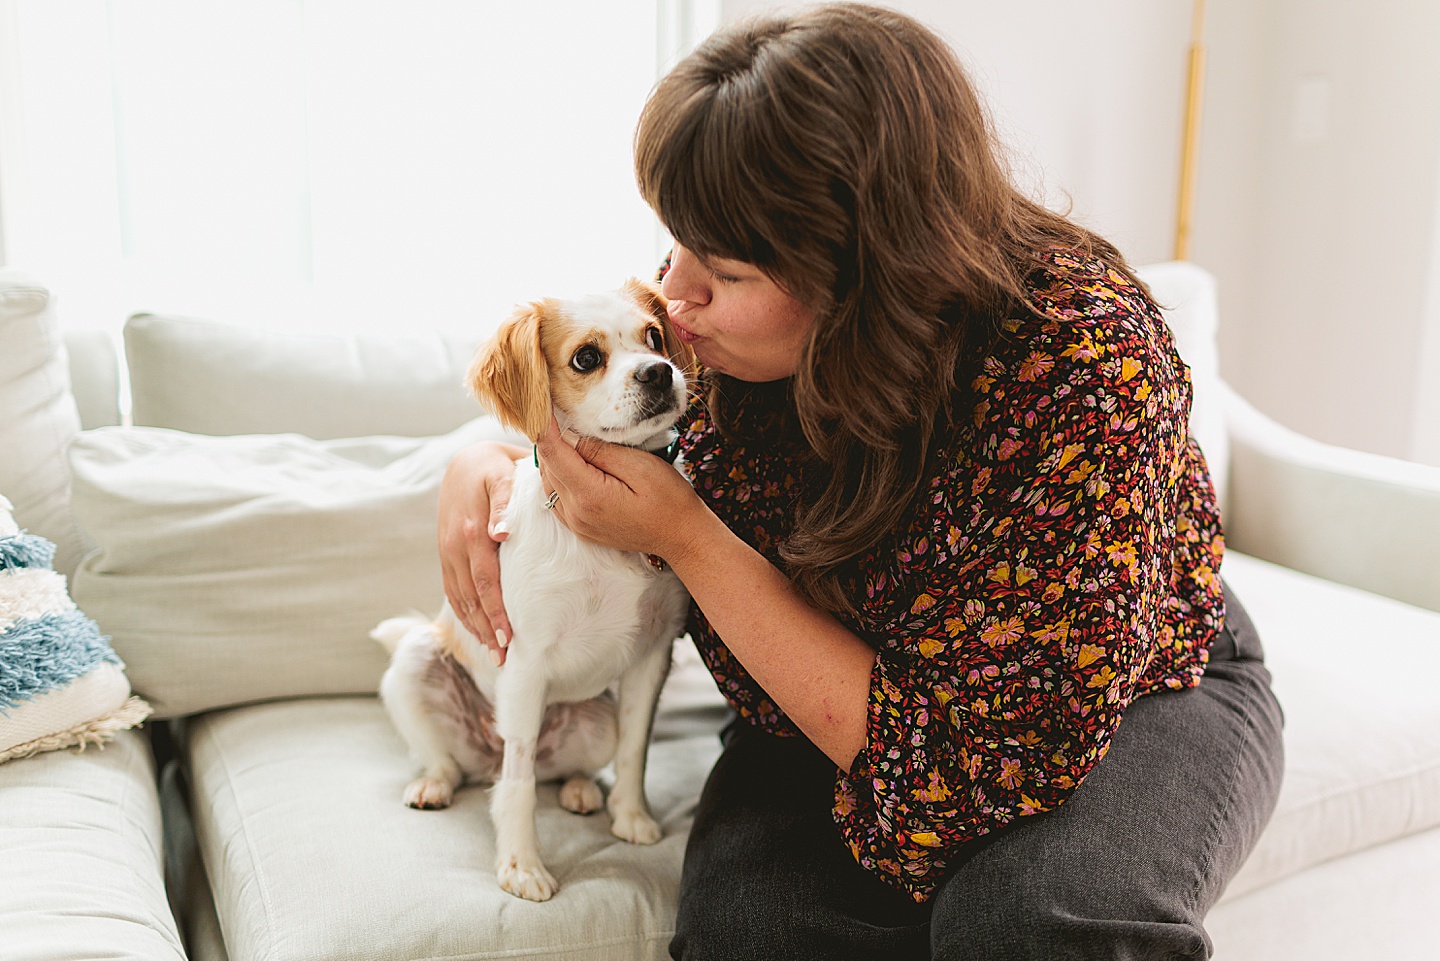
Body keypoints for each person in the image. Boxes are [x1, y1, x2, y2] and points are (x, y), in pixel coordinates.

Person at [438, 4, 1284, 959]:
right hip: (827, 672)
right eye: (675, 244)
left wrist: (690, 539)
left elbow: (971, 769)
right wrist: (483, 458)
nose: (673, 300)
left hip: (1111, 672)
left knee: (1031, 925)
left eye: (722, 269)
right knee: (751, 933)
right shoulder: (710, 334)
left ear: (864, 263)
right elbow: (588, 396)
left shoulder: (1081, 356)